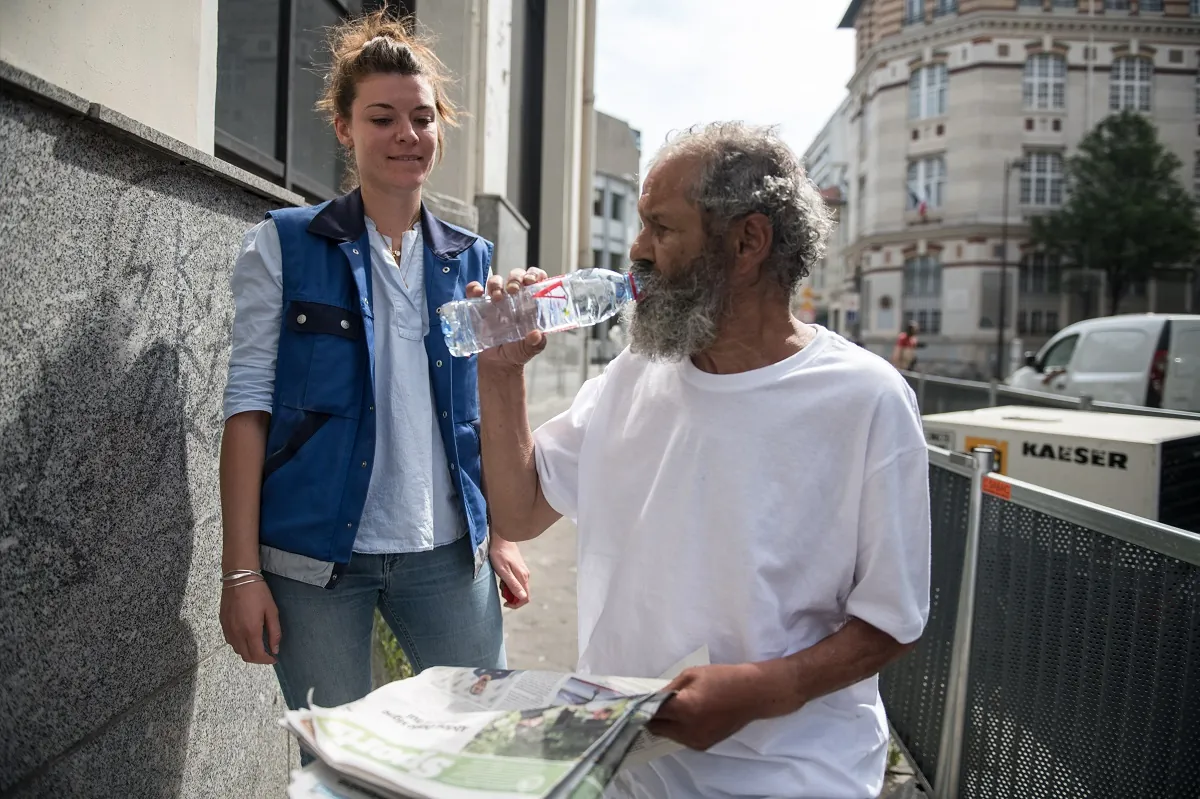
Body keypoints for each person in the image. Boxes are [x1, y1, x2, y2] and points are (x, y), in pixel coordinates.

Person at [473, 123, 931, 798]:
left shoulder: (866, 399)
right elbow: (519, 512)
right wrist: (499, 371)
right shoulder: (635, 372)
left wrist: (763, 688)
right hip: (622, 759)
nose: (637, 250)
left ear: (747, 242)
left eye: (661, 227)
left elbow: (893, 619)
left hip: (790, 774)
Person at [217, 11, 530, 719]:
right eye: (382, 118)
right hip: (313, 561)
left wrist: (502, 534)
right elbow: (248, 408)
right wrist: (240, 572)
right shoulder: (282, 245)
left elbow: (482, 408)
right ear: (344, 128)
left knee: (477, 735)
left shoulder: (471, 258)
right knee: (339, 759)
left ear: (440, 128)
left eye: (422, 118)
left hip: (449, 553)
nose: (405, 135)